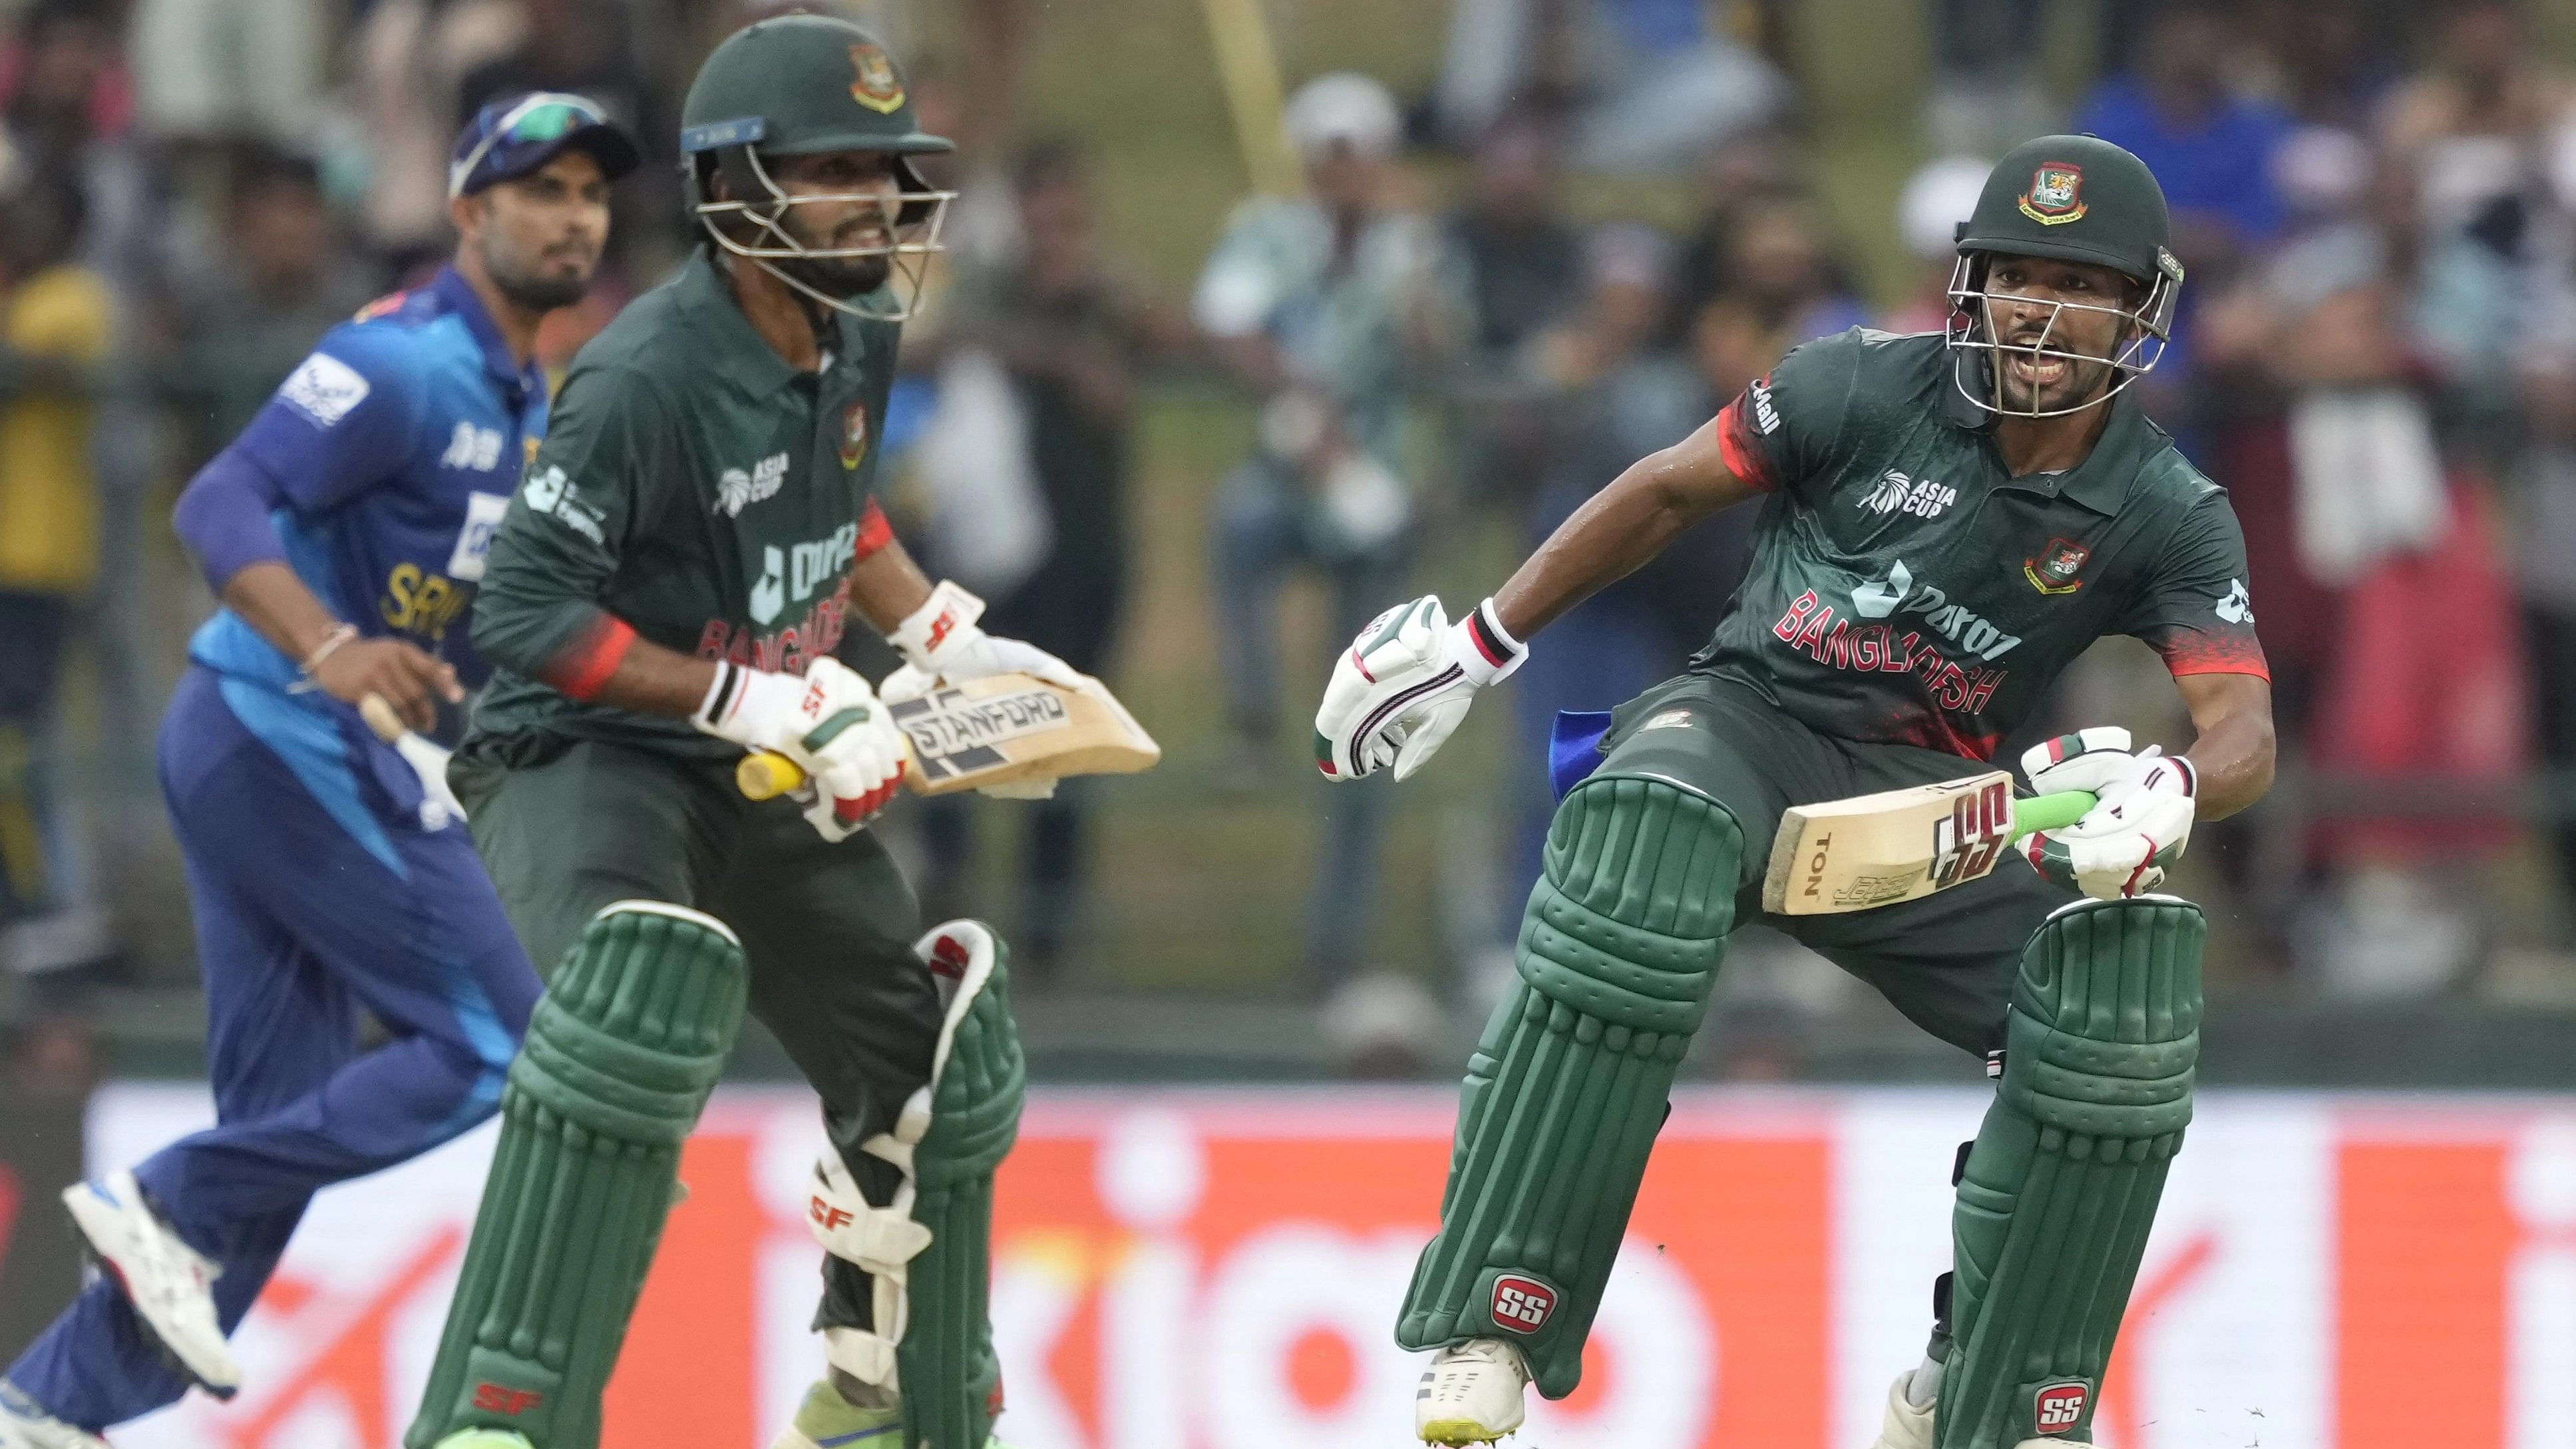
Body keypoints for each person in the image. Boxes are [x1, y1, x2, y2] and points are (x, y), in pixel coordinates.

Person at [1314, 136, 2276, 1449]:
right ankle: (1497, 1313)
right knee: (1646, 841)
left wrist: (2170, 784)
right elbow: (1662, 492)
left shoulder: (2164, 508)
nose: (2045, 312)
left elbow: (2242, 733)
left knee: (2110, 997)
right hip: (1748, 725)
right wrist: (1476, 644)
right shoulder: (1857, 385)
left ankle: (1988, 1398)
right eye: (2018, 280)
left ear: (2139, 311)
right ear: (1970, 289)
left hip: (1930, 815)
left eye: (2083, 284)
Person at [403, 20, 1057, 1449]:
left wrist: (939, 631)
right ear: (733, 186)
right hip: (587, 752)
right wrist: (743, 694)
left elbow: (838, 506)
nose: (875, 199)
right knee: (628, 1027)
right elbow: (522, 610)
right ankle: (497, 1411)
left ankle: (867, 1386)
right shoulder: (640, 379)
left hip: (768, 753)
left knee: (924, 1061)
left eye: (885, 168)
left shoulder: (861, 321)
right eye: (832, 170)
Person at [0, 93, 637, 1449]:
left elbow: (480, 626)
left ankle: (45, 1413)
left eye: (591, 192)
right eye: (541, 189)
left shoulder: (529, 396)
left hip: (283, 749)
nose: (573, 214)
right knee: (501, 1042)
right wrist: (335, 644)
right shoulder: (404, 362)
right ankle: (165, 1192)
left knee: (282, 1134)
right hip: (282, 732)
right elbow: (216, 502)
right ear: (468, 212)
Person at [1196, 71, 1465, 1029]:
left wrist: (1419, 300)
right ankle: (1250, 711)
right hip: (1291, 468)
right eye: (1333, 157)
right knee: (1237, 524)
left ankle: (1333, 946)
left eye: (1362, 159)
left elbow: (1443, 361)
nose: (1347, 176)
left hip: (1379, 485)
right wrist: (1293, 389)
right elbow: (1225, 322)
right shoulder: (1269, 232)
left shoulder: (1416, 248)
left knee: (1367, 720)